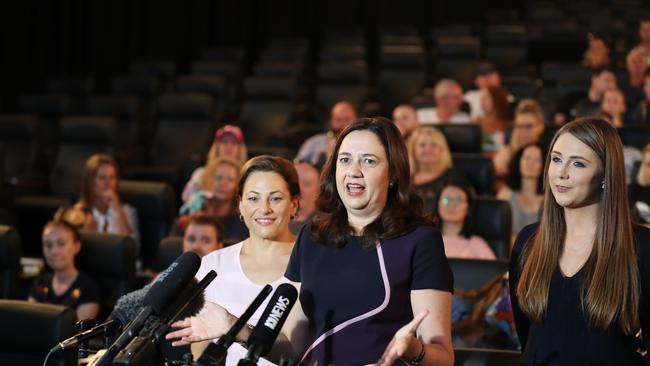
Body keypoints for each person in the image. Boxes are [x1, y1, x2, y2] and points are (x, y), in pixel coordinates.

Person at [168, 118, 455, 366]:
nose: (353, 170)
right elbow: (289, 348)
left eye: (368, 160)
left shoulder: (419, 241)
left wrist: (413, 349)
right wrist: (234, 326)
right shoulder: (313, 237)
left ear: (392, 173)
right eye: (345, 159)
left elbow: (443, 356)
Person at [509, 117, 650, 365]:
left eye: (578, 164)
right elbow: (527, 335)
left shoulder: (641, 248)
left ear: (605, 175)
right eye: (556, 159)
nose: (561, 173)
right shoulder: (528, 242)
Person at [170, 155, 300, 365]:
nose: (264, 208)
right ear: (240, 204)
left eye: (275, 198)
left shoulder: (309, 266)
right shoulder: (212, 265)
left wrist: (236, 327)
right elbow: (199, 348)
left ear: (294, 204)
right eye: (253, 198)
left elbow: (295, 353)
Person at [29, 219, 101, 320]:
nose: (54, 251)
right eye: (48, 245)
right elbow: (28, 322)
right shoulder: (40, 283)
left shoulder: (88, 288)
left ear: (76, 246)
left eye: (61, 244)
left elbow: (79, 333)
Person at [177, 157, 248, 243]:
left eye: (230, 179)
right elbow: (173, 246)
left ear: (237, 187)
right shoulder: (192, 210)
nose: (223, 183)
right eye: (218, 177)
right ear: (207, 180)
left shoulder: (241, 220)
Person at [73, 154, 139, 241]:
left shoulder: (127, 211)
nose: (108, 183)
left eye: (112, 178)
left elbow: (131, 248)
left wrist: (117, 209)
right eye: (102, 178)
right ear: (91, 183)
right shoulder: (78, 211)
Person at [182, 125, 248, 203]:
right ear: (216, 147)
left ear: (240, 149)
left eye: (234, 143)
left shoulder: (247, 175)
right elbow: (187, 200)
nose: (229, 147)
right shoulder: (201, 173)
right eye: (224, 142)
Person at [434, 179, 495, 260]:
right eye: (446, 199)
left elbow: (496, 272)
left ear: (468, 208)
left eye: (458, 200)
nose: (452, 205)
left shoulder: (477, 244)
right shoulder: (426, 241)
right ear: (437, 204)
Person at [497, 144, 545, 241]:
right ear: (519, 161)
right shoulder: (505, 194)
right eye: (526, 158)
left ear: (544, 166)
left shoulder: (548, 200)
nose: (530, 163)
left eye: (537, 160)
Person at [493, 99, 546, 178]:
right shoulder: (507, 152)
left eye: (528, 126)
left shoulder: (548, 155)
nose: (523, 132)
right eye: (519, 126)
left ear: (540, 127)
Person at [295, 101, 357, 167]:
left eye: (347, 119)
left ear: (356, 119)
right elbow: (298, 166)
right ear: (331, 121)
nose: (343, 124)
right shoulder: (314, 142)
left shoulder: (364, 144)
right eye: (338, 120)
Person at [407, 126, 455, 204]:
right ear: (413, 150)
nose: (428, 149)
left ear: (442, 150)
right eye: (422, 145)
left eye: (434, 145)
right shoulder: (403, 179)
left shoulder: (455, 178)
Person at [476, 86, 512, 153]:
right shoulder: (476, 122)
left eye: (486, 97)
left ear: (497, 98)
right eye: (481, 97)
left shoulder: (509, 125)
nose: (482, 100)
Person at [289, 161, 319, 235]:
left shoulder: (326, 227)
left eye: (306, 184)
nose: (299, 189)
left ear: (319, 191)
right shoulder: (275, 221)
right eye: (295, 183)